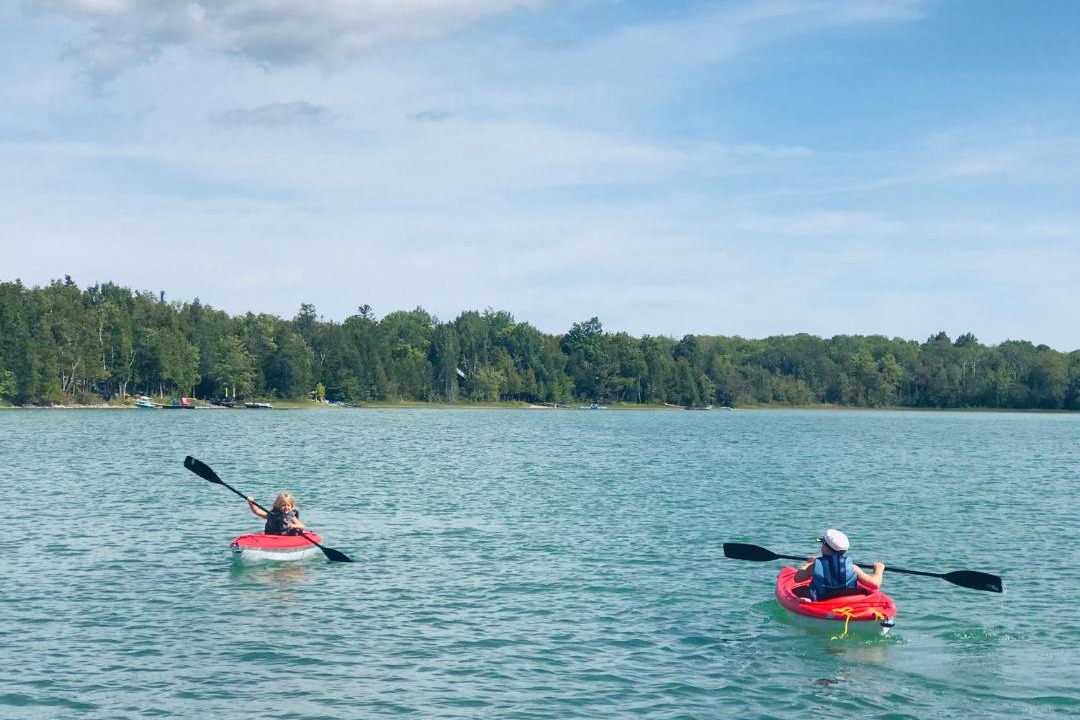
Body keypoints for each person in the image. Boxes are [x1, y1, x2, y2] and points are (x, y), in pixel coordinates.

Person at [793, 528, 884, 600]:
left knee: (799, 590)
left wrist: (808, 563)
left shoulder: (814, 566)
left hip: (822, 600)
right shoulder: (853, 568)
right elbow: (874, 584)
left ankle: (808, 600)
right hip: (847, 600)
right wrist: (878, 570)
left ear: (826, 549)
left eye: (822, 544)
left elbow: (797, 578)